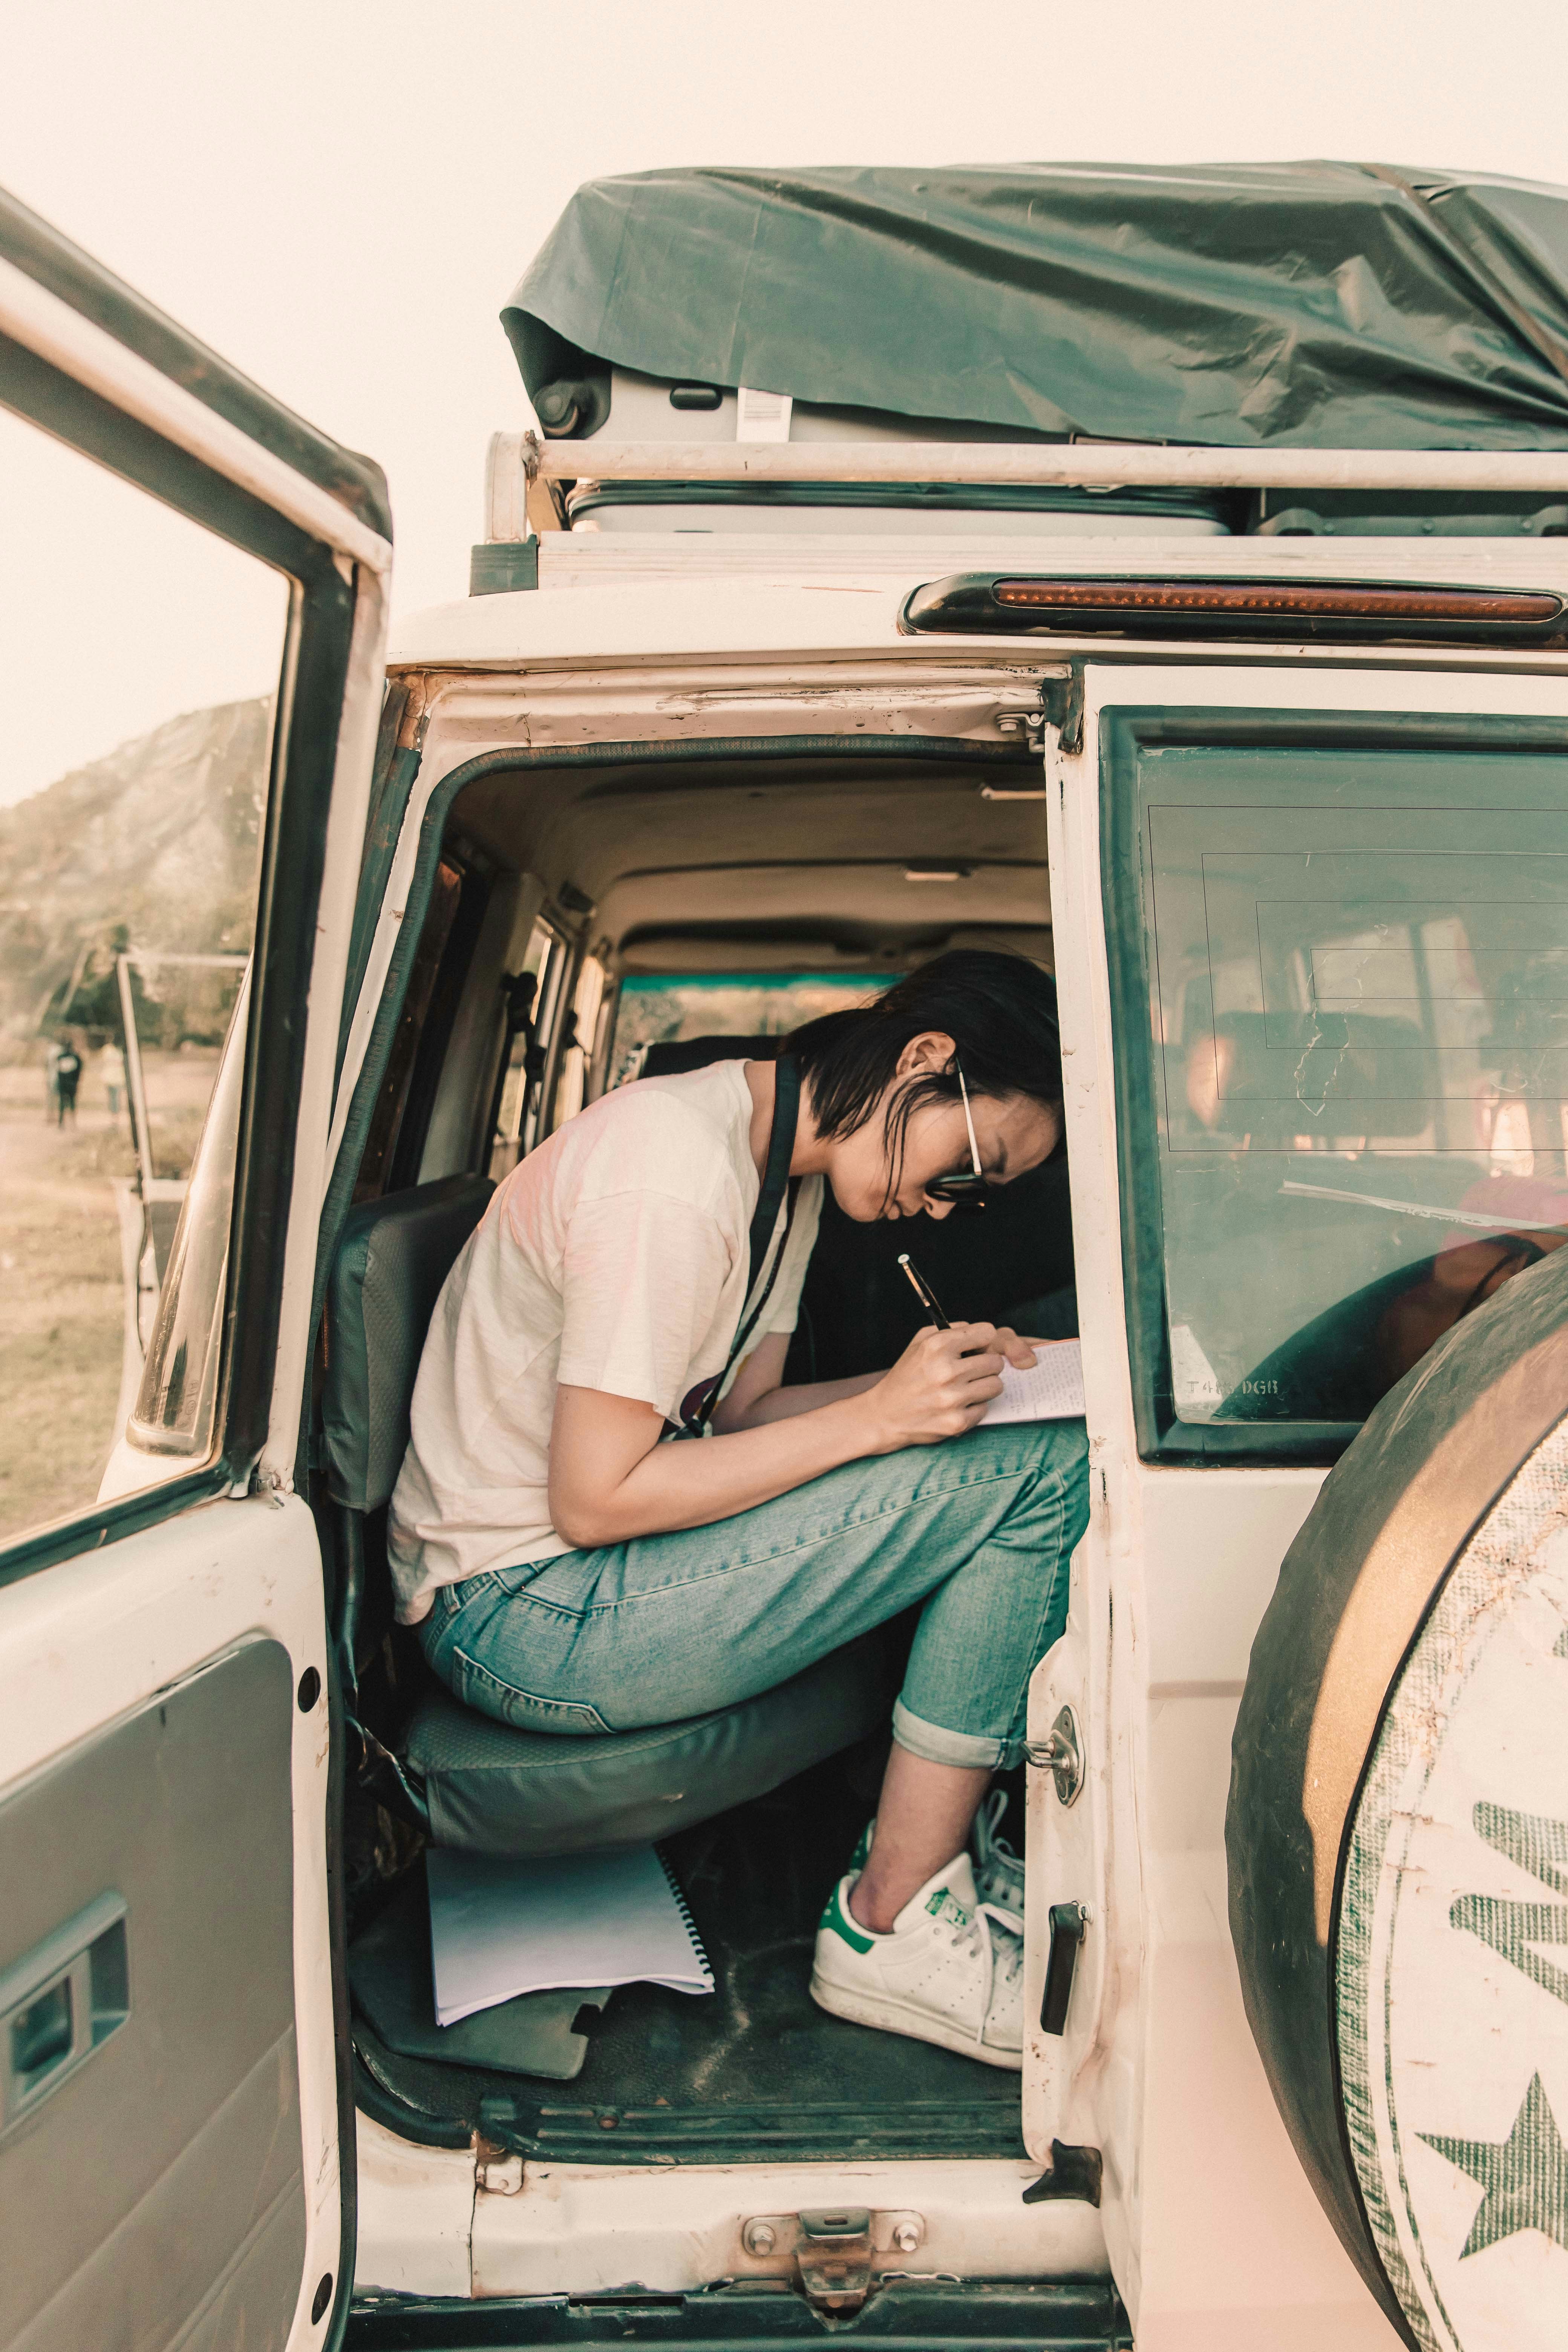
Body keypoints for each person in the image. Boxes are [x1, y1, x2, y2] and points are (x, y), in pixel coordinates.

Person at [390, 950, 1087, 2070]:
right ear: (924, 1059)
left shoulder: (776, 1173)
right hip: (520, 1609)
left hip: (568, 1578)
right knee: (1043, 1471)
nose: (944, 1206)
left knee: (1020, 1433)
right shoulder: (671, 1176)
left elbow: (742, 1413)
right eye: (969, 1166)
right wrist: (881, 1421)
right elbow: (595, 1498)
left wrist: (934, 1386)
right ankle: (892, 1919)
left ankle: (936, 1870)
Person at [54, 1040, 82, 1127]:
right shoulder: (76, 1058)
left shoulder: (61, 1057)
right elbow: (79, 1071)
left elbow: (58, 1072)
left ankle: (62, 1122)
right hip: (71, 1084)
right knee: (71, 1103)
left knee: (63, 1103)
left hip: (64, 1084)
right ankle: (71, 1122)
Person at [99, 1038, 126, 1120]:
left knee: (116, 1097)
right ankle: (113, 1113)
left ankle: (115, 1114)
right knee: (112, 1097)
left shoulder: (118, 1050)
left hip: (117, 1077)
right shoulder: (108, 1049)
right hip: (110, 1077)